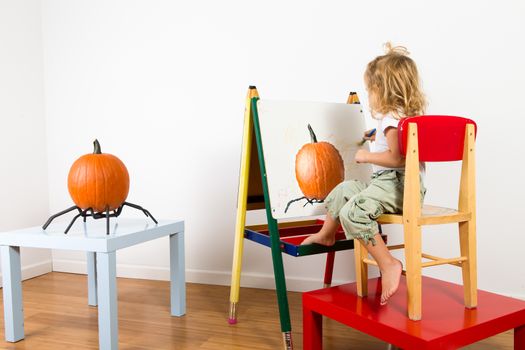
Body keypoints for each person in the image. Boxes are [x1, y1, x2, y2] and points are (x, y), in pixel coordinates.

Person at [301, 43, 427, 305]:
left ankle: (389, 264)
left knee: (353, 212)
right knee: (343, 190)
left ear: (383, 90)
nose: (369, 96)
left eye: (371, 90)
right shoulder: (404, 117)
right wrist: (374, 135)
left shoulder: (393, 119)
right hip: (395, 185)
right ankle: (327, 234)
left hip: (398, 186)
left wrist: (366, 155)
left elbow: (397, 157)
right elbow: (396, 147)